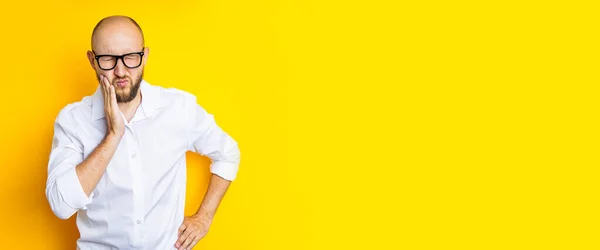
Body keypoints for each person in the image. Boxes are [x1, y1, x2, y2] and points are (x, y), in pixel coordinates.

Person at [45, 15, 240, 250]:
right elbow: (61, 205)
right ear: (92, 60)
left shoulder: (178, 108)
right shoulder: (73, 120)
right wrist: (113, 136)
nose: (120, 71)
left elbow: (228, 153)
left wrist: (204, 217)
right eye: (108, 58)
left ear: (144, 55)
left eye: (130, 57)